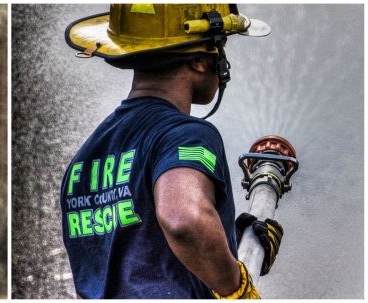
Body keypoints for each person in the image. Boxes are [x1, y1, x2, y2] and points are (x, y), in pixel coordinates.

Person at [58, 4, 277, 299]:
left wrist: (230, 243)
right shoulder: (185, 135)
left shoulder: (84, 161)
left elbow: (138, 261)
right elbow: (183, 219)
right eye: (221, 46)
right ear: (200, 60)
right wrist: (233, 285)